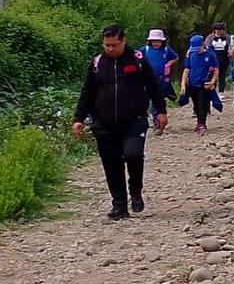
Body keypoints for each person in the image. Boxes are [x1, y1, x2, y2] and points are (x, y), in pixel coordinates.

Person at [72, 24, 169, 221]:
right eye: (107, 45)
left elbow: (153, 86)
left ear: (123, 41)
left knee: (133, 155)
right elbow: (87, 92)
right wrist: (79, 118)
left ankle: (135, 190)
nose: (110, 49)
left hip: (133, 120)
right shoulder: (97, 63)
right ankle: (119, 205)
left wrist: (161, 111)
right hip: (104, 122)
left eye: (114, 45)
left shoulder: (137, 60)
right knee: (111, 164)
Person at [140, 29, 179, 134]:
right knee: (144, 100)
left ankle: (157, 123)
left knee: (157, 101)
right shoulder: (145, 50)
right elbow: (137, 57)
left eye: (158, 41)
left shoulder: (166, 50)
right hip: (146, 79)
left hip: (160, 79)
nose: (156, 43)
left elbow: (175, 57)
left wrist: (169, 64)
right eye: (154, 41)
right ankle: (143, 121)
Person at [180, 33, 219, 135]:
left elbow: (216, 69)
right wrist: (183, 84)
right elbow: (186, 70)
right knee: (196, 105)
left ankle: (202, 123)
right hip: (193, 84)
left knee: (203, 104)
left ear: (203, 45)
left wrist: (212, 82)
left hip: (204, 84)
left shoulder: (210, 55)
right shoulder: (190, 55)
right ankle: (199, 121)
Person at [204, 23, 233, 93]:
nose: (219, 31)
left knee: (222, 75)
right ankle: (212, 90)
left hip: (224, 58)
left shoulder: (227, 37)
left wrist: (230, 52)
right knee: (212, 75)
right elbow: (206, 46)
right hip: (214, 59)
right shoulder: (210, 37)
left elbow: (231, 45)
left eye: (220, 30)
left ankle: (221, 91)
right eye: (217, 30)